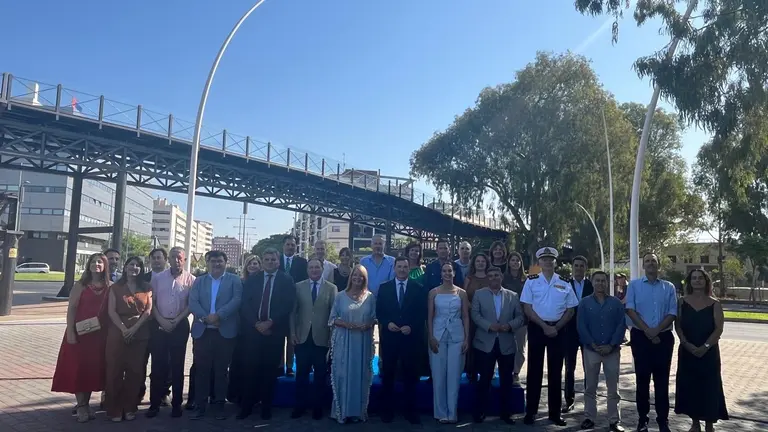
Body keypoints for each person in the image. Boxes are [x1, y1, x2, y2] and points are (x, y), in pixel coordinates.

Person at [520, 247, 578, 427]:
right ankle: (530, 412)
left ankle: (555, 413)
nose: (547, 262)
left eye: (550, 259)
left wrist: (557, 327)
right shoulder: (531, 281)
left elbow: (571, 309)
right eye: (544, 259)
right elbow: (527, 307)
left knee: (556, 372)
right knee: (534, 372)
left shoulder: (565, 282)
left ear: (555, 262)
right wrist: (544, 326)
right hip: (538, 328)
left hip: (558, 330)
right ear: (539, 263)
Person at [238, 248, 296, 420]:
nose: (270, 262)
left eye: (273, 259)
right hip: (253, 332)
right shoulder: (253, 279)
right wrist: (256, 324)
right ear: (262, 261)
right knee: (250, 370)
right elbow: (244, 304)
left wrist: (270, 322)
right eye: (267, 259)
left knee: (269, 371)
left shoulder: (286, 280)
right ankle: (247, 406)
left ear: (278, 261)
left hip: (274, 332)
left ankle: (266, 407)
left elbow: (287, 305)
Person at [52, 253, 111, 423]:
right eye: (93, 262)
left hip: (99, 335)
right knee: (79, 369)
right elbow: (71, 309)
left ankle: (85, 404)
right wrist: (70, 331)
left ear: (105, 266)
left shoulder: (110, 286)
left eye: (100, 262)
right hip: (79, 333)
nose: (96, 264)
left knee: (92, 370)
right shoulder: (81, 285)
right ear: (88, 265)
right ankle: (82, 406)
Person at [188, 250, 243, 420]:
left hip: (224, 332)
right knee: (202, 370)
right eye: (213, 261)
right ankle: (200, 405)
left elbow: (237, 300)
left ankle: (219, 404)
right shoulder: (199, 281)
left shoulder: (234, 280)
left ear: (226, 262)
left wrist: (219, 315)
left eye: (220, 261)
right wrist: (207, 318)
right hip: (203, 332)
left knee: (221, 371)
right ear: (207, 263)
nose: (216, 264)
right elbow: (193, 301)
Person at [626, 252, 678, 432]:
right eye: (647, 261)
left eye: (653, 261)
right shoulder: (634, 286)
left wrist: (657, 330)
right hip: (641, 337)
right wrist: (648, 331)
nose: (650, 264)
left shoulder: (668, 287)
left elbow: (672, 311)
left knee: (662, 381)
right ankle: (643, 420)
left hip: (663, 338)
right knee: (642, 381)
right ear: (643, 265)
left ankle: (663, 420)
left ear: (658, 265)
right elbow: (630, 310)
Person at [674, 269, 728, 432]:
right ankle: (695, 423)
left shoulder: (715, 303)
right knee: (691, 386)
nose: (697, 281)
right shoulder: (681, 302)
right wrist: (686, 344)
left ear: (706, 281)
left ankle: (709, 424)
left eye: (700, 278)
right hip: (687, 351)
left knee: (709, 387)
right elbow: (678, 325)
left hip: (709, 352)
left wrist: (705, 347)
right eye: (694, 278)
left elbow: (718, 329)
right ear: (689, 282)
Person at [376, 256, 427, 424]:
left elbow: (422, 314)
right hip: (390, 338)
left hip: (410, 339)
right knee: (388, 375)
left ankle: (410, 411)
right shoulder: (384, 288)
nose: (402, 270)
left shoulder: (418, 288)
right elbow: (380, 312)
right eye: (399, 267)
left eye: (405, 267)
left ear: (408, 269)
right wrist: (387, 323)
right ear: (395, 268)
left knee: (410, 376)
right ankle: (386, 410)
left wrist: (411, 326)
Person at [146, 247, 195, 419]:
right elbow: (152, 303)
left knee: (177, 367)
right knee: (158, 366)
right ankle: (154, 404)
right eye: (173, 257)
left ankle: (176, 405)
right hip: (159, 325)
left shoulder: (191, 280)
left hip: (179, 326)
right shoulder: (158, 279)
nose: (176, 260)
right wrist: (161, 320)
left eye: (179, 257)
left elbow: (191, 304)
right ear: (169, 259)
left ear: (184, 259)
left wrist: (178, 320)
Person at [470, 266, 524, 425]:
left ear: (501, 277)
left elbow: (520, 317)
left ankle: (506, 413)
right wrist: (488, 325)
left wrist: (509, 325)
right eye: (491, 276)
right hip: (485, 342)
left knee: (506, 380)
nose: (494, 278)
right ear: (487, 278)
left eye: (496, 275)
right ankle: (480, 411)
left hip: (506, 343)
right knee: (484, 379)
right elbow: (475, 314)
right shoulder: (479, 295)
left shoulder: (512, 296)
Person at [104, 256, 153, 422]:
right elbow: (111, 311)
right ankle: (115, 409)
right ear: (125, 268)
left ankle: (130, 407)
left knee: (135, 373)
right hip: (118, 333)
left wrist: (134, 329)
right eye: (131, 264)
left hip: (140, 334)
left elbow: (147, 311)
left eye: (138, 265)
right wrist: (124, 329)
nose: (134, 267)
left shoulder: (146, 287)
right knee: (114, 372)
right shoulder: (115, 288)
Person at [577, 271, 626, 431]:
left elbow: (621, 325)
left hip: (612, 351)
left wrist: (611, 345)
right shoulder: (584, 303)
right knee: (590, 387)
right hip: (591, 350)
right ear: (592, 282)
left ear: (607, 283)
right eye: (597, 280)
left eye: (603, 281)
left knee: (613, 388)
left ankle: (614, 421)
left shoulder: (616, 303)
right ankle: (589, 418)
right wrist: (592, 344)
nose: (600, 283)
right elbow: (581, 326)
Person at [329, 265, 377, 424]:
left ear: (365, 279)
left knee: (360, 375)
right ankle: (342, 411)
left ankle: (358, 411)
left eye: (361, 276)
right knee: (344, 375)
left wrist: (368, 324)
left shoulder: (370, 297)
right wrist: (347, 324)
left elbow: (374, 318)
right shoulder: (341, 296)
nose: (357, 278)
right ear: (351, 277)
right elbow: (332, 319)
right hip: (344, 341)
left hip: (362, 342)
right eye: (355, 275)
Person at [290, 258, 337, 420]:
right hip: (302, 337)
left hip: (321, 338)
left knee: (320, 375)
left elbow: (333, 315)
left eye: (317, 267)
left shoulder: (332, 289)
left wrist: (332, 338)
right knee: (301, 374)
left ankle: (318, 407)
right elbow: (293, 313)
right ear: (307, 270)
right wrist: (293, 333)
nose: (314, 270)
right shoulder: (298, 287)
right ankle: (299, 406)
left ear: (322, 268)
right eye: (311, 267)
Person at [428, 262, 470, 424]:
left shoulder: (462, 293)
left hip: (457, 336)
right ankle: (440, 412)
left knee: (454, 375)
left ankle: (452, 413)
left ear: (453, 273)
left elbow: (465, 316)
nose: (447, 273)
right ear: (441, 273)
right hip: (438, 336)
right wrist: (431, 336)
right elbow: (430, 316)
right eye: (444, 271)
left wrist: (467, 338)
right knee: (438, 376)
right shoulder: (433, 293)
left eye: (449, 271)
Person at [228, 254, 262, 405]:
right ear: (246, 266)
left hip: (257, 327)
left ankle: (253, 396)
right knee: (238, 362)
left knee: (254, 364)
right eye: (250, 263)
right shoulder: (240, 282)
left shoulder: (264, 283)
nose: (253, 266)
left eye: (256, 263)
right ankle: (236, 395)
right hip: (241, 327)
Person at [563, 255, 594, 413]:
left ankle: (590, 399)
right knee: (569, 368)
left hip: (588, 332)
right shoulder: (564, 284)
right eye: (576, 265)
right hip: (569, 332)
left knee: (589, 367)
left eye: (582, 266)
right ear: (572, 267)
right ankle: (569, 400)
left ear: (585, 268)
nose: (579, 268)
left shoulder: (592, 285)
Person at [279, 235, 308, 378]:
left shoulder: (302, 262)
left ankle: (290, 366)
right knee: (278, 337)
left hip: (295, 304)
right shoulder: (276, 260)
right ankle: (279, 365)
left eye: (293, 245)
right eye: (288, 244)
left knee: (292, 337)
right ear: (283, 246)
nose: (291, 247)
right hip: (277, 304)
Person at [462, 252, 490, 382]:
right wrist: (473, 310)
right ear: (474, 263)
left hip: (488, 317)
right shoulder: (469, 278)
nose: (480, 263)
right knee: (471, 342)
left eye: (483, 261)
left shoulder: (490, 278)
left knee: (486, 344)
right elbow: (463, 296)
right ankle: (471, 370)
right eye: (478, 261)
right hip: (471, 316)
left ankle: (485, 369)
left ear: (486, 263)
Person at [502, 251, 527, 386]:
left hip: (522, 318)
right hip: (506, 317)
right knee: (505, 346)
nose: (515, 263)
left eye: (518, 260)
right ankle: (505, 372)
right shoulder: (503, 279)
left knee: (520, 348)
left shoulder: (526, 279)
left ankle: (516, 372)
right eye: (513, 260)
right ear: (509, 262)